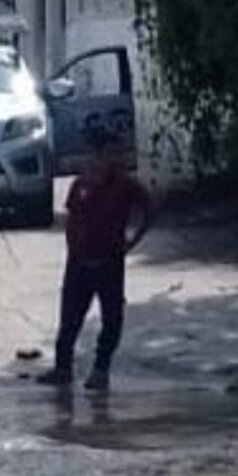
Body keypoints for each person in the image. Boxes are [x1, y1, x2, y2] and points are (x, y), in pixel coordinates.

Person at [41, 133, 154, 391]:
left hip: (110, 262)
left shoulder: (126, 186)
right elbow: (71, 219)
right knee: (70, 317)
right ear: (97, 156)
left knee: (111, 318)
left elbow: (149, 208)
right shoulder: (80, 184)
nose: (114, 160)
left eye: (118, 154)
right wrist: (73, 247)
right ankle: (62, 368)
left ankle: (101, 369)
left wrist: (132, 242)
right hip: (79, 262)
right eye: (108, 154)